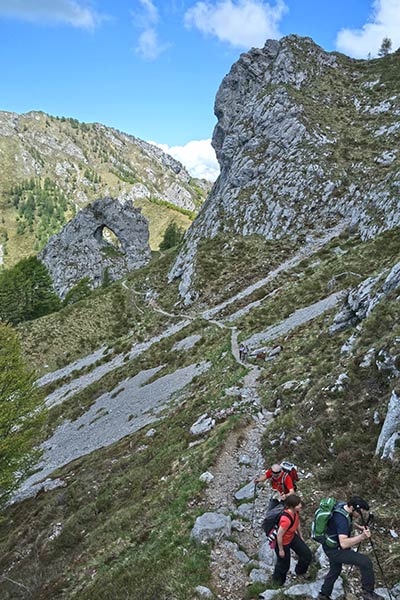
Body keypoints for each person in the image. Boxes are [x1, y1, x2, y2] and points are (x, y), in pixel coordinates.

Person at [318, 496, 383, 600]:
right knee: (366, 562)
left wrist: (359, 527)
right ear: (353, 508)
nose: (359, 515)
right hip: (336, 550)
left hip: (330, 546)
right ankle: (368, 593)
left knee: (335, 570)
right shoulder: (341, 519)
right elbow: (344, 543)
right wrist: (362, 537)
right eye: (359, 512)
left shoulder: (342, 507)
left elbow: (348, 521)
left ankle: (323, 594)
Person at [273, 494, 312, 586]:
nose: (300, 505)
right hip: (283, 542)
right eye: (298, 504)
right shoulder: (285, 519)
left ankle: (300, 572)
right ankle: (277, 583)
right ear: (292, 506)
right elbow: (279, 535)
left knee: (306, 554)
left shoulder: (295, 512)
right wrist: (281, 550)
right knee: (283, 565)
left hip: (292, 537)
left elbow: (297, 523)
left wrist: (300, 536)